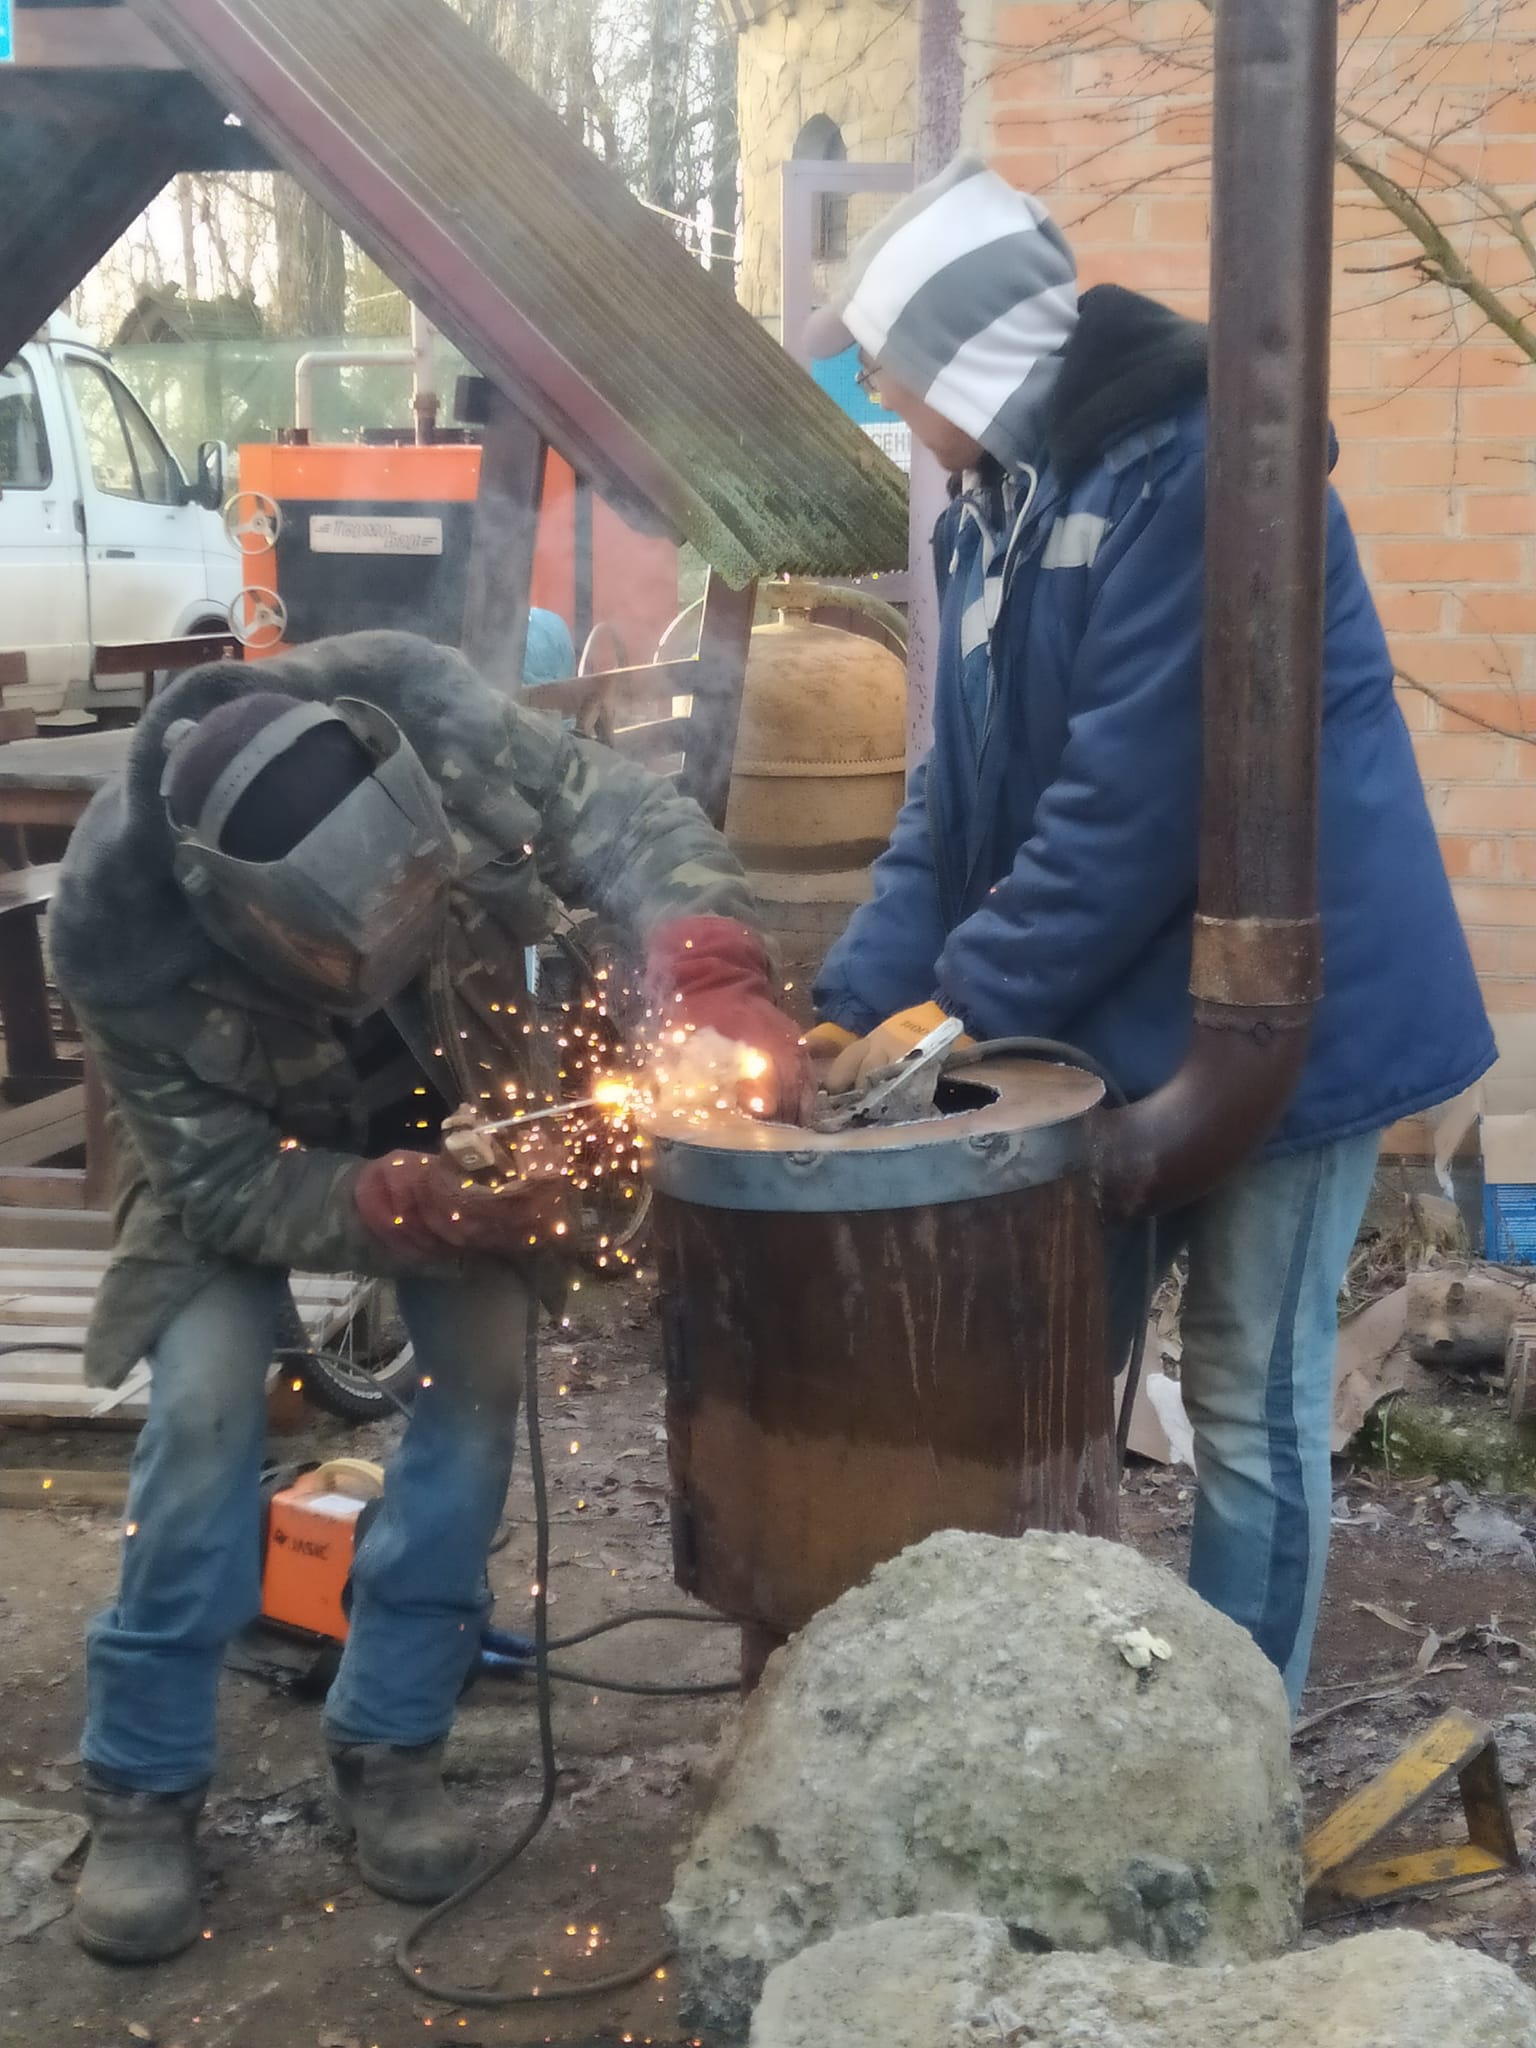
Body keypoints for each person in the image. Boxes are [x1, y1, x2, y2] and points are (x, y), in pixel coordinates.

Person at [805, 154, 1495, 1715]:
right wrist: (858, 999)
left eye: (890, 368)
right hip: (1116, 1016)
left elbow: (1137, 799)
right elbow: (952, 805)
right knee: (1050, 1381)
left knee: (1250, 1401)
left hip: (1294, 1023)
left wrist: (960, 1005)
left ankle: (1236, 1748)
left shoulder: (1198, 475)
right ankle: (1073, 1725)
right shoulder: (992, 514)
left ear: (969, 358)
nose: (885, 398)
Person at [49, 628, 807, 1964]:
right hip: (242, 1159)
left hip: (458, 1086)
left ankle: (392, 1740)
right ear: (247, 917)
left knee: (484, 1378)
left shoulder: (427, 710)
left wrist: (710, 971)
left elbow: (628, 819)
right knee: (208, 1411)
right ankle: (144, 1786)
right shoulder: (119, 936)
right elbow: (221, 1182)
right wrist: (395, 1203)